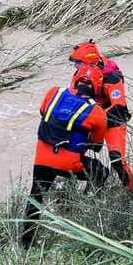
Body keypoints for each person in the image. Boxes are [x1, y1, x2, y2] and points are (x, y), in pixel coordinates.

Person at [21, 65, 110, 248]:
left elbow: (43, 112)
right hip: (71, 163)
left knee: (36, 197)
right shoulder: (97, 112)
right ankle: (88, 207)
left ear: (74, 79)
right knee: (101, 171)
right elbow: (97, 146)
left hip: (42, 159)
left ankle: (26, 243)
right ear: (96, 87)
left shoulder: (53, 92)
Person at [68, 40, 133, 193]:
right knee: (70, 154)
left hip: (113, 120)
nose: (75, 66)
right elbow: (73, 101)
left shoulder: (112, 76)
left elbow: (120, 108)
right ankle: (89, 189)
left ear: (89, 63)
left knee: (117, 159)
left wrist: (96, 118)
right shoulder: (78, 76)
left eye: (78, 62)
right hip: (92, 119)